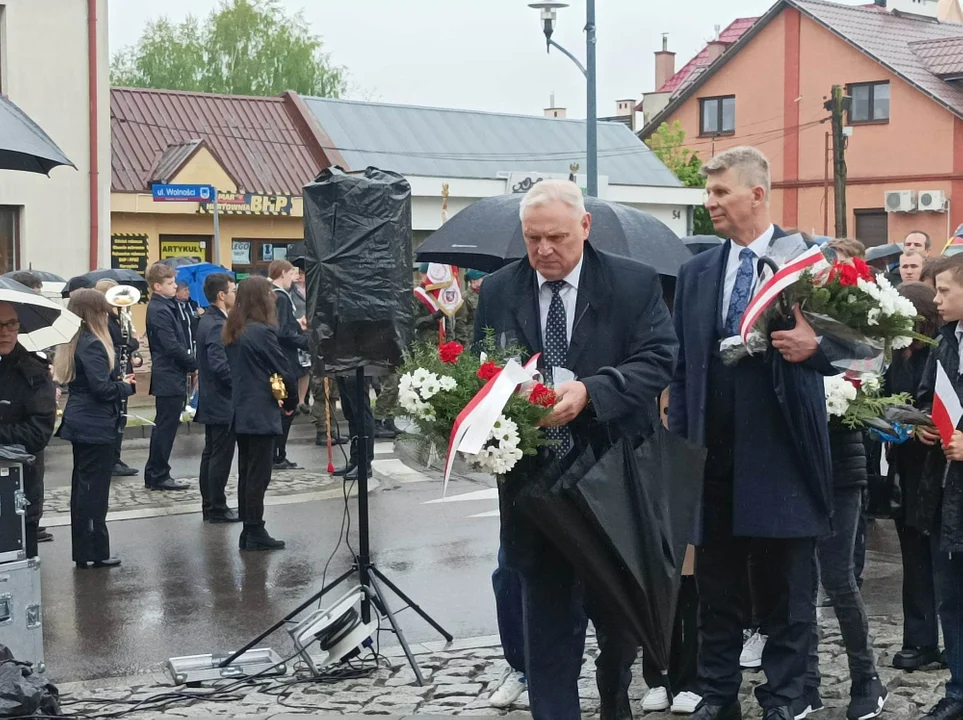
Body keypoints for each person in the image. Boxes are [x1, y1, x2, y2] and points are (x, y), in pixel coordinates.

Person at [473, 178, 678, 719]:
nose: (543, 251)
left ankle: (616, 702)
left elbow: (660, 358)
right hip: (533, 492)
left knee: (617, 628)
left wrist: (593, 391)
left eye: (557, 238)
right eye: (532, 238)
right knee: (547, 637)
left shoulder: (632, 284)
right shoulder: (497, 290)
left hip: (613, 481)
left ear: (585, 228)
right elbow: (479, 371)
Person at [669, 147, 836, 720]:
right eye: (708, 193)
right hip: (714, 454)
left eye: (721, 193)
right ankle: (719, 696)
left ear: (757, 194)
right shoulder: (695, 274)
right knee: (716, 589)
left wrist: (817, 348)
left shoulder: (810, 261)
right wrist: (682, 439)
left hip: (783, 449)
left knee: (787, 588)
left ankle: (786, 697)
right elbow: (683, 365)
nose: (710, 203)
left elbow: (856, 346)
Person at [53, 290, 136, 569]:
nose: (107, 315)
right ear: (93, 313)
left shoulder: (79, 340)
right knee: (92, 492)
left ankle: (87, 551)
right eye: (103, 310)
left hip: (84, 420)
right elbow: (102, 389)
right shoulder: (92, 344)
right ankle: (94, 551)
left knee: (84, 489)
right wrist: (126, 386)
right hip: (94, 423)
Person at [886, 281, 943, 672]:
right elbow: (887, 399)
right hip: (907, 465)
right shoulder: (898, 357)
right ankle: (919, 640)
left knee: (943, 558)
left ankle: (948, 642)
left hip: (940, 469)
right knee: (915, 559)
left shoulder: (940, 352)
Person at [223, 276, 293, 551]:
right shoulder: (261, 332)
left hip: (241, 409)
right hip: (260, 411)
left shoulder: (235, 328)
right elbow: (283, 369)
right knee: (258, 476)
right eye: (268, 293)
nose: (273, 297)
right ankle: (254, 530)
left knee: (247, 473)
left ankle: (249, 529)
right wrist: (290, 400)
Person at [0, 301, 56, 558]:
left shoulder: (34, 372)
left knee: (21, 570)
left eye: (11, 324)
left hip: (20, 490)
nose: (5, 332)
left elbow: (38, 434)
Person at [144, 263, 197, 491]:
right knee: (165, 427)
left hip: (173, 373)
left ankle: (158, 472)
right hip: (168, 374)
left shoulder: (167, 306)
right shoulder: (159, 309)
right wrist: (193, 363)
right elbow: (170, 345)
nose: (175, 287)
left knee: (167, 425)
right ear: (157, 286)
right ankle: (158, 473)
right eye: (170, 283)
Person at [195, 273, 239, 524]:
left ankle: (212, 505)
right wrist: (239, 385)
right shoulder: (214, 324)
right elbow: (219, 365)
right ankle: (216, 507)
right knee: (218, 456)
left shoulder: (214, 319)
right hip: (221, 401)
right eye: (232, 290)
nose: (235, 294)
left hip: (215, 399)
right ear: (221, 295)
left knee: (212, 454)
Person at [93, 278, 142, 479]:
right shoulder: (105, 319)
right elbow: (119, 344)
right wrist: (134, 341)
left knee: (121, 416)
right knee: (116, 417)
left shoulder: (115, 318)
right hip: (115, 374)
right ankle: (112, 460)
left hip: (122, 371)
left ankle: (116, 457)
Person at [269, 260, 307, 471]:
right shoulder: (281, 296)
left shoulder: (273, 294)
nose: (294, 277)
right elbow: (283, 332)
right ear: (282, 273)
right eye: (292, 273)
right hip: (285, 356)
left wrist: (297, 325)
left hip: (280, 355)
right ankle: (278, 454)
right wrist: (305, 341)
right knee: (286, 407)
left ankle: (277, 453)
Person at [290, 266, 312, 414]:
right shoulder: (289, 290)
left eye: (303, 273)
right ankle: (293, 399)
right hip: (294, 330)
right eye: (297, 273)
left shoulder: (311, 289)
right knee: (294, 366)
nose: (300, 276)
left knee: (306, 367)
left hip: (308, 330)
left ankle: (302, 400)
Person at [174, 280, 199, 355]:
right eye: (185, 290)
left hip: (195, 344)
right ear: (176, 292)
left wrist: (202, 315)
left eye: (188, 289)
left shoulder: (193, 304)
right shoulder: (173, 307)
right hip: (182, 345)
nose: (188, 292)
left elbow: (199, 324)